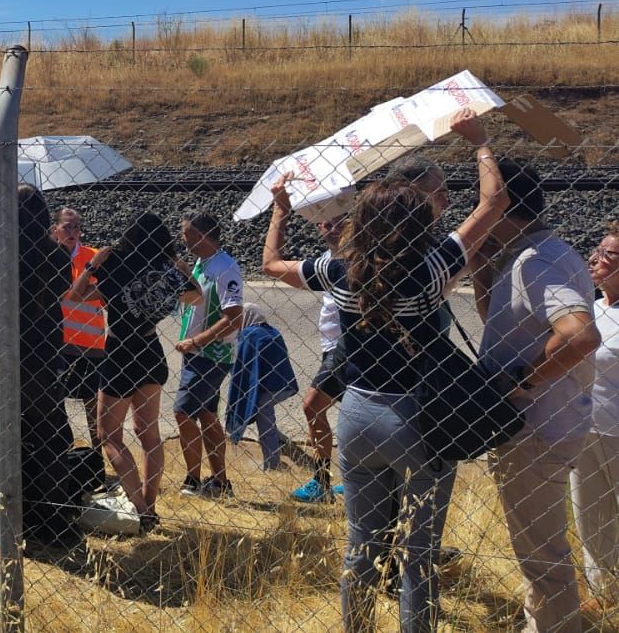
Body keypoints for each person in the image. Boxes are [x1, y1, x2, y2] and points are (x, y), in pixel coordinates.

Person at [263, 109, 503, 633]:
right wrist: (480, 142)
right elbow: (493, 203)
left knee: (360, 546)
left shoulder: (339, 270)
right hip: (417, 419)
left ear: (361, 222)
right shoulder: (432, 265)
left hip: (356, 415)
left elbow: (272, 266)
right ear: (421, 222)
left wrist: (280, 210)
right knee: (419, 554)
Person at [472, 160, 600, 633]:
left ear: (502, 205)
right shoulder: (529, 256)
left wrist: (522, 379)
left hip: (535, 429)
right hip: (541, 425)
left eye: (483, 204)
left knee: (542, 554)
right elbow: (504, 328)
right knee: (536, 547)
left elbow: (580, 336)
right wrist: (484, 268)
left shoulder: (538, 261)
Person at [0, 185, 80, 549]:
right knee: (48, 437)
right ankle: (52, 521)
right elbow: (62, 292)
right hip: (42, 361)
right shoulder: (56, 257)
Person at [66, 211, 200, 534]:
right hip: (150, 349)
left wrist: (93, 263)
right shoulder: (167, 272)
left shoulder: (116, 264)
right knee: (149, 433)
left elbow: (76, 296)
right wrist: (182, 269)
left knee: (109, 435)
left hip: (119, 350)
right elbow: (197, 296)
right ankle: (149, 505)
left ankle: (141, 510)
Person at [173, 210, 244, 499]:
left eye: (186, 233)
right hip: (198, 352)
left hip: (211, 353)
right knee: (205, 413)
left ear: (201, 235)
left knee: (182, 411)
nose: (182, 237)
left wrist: (198, 341)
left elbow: (234, 317)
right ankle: (220, 482)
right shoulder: (202, 263)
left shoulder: (225, 267)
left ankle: (192, 479)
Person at [572, 222, 619, 615]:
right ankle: (605, 596)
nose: (596, 259)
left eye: (608, 255)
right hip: (585, 429)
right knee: (591, 518)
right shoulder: (590, 305)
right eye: (597, 250)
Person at [293, 207, 352, 504]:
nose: (331, 229)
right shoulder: (326, 261)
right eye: (326, 224)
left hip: (345, 349)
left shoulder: (355, 257)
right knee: (350, 414)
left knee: (312, 407)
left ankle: (321, 479)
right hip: (331, 348)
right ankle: (350, 480)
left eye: (338, 222)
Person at [52, 206, 107, 445]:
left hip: (90, 343)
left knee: (93, 403)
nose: (73, 232)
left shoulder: (92, 257)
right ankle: (62, 449)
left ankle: (96, 455)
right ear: (55, 230)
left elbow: (103, 292)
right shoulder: (48, 256)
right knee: (54, 400)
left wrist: (79, 291)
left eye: (76, 227)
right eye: (67, 227)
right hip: (58, 342)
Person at [225, 303, 297, 471]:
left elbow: (243, 366)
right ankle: (277, 439)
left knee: (265, 423)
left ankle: (272, 464)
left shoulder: (248, 334)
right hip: (284, 385)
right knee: (266, 414)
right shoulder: (274, 332)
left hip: (265, 388)